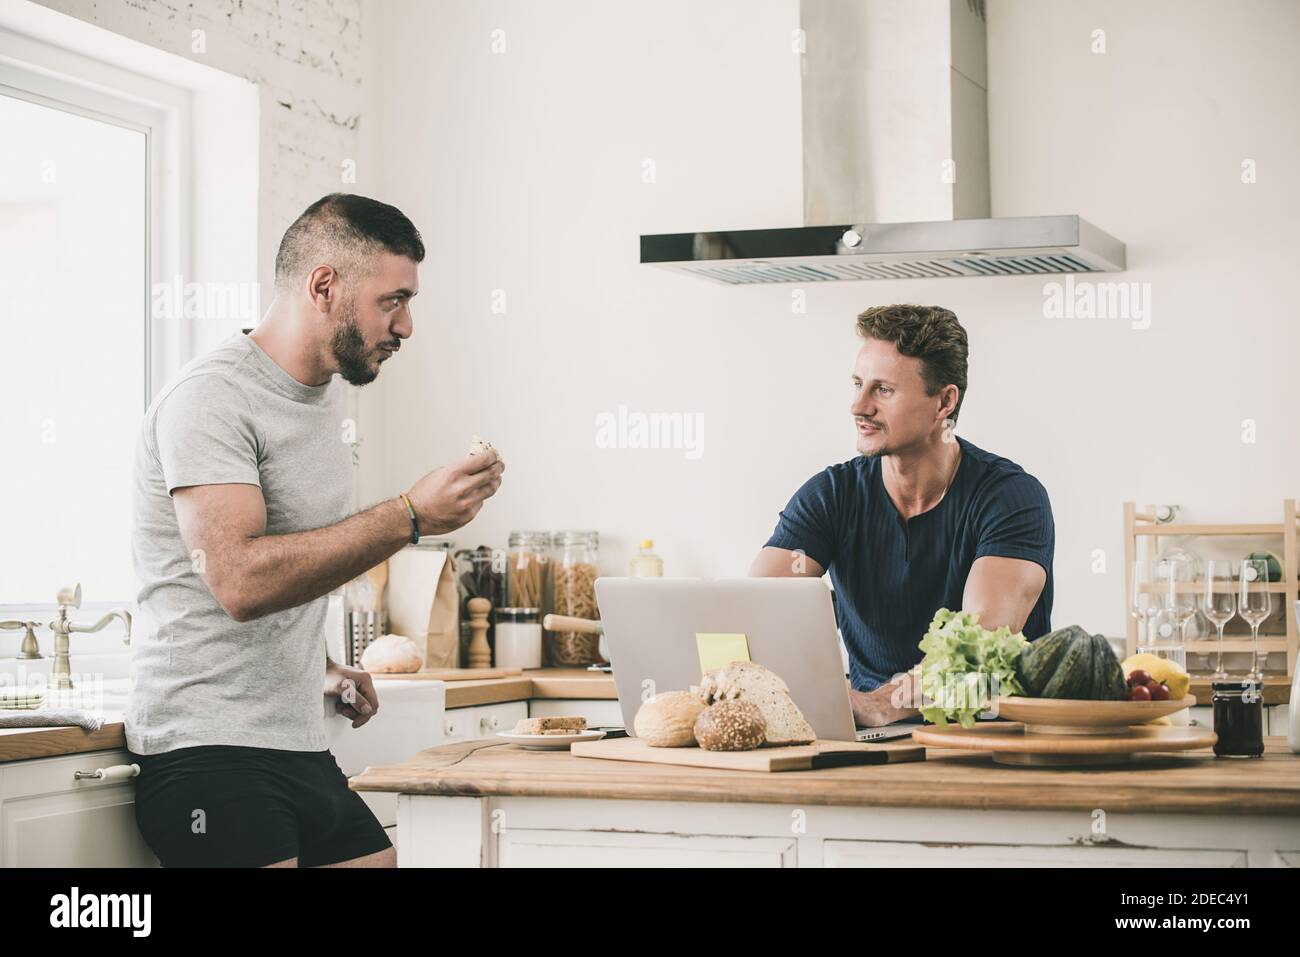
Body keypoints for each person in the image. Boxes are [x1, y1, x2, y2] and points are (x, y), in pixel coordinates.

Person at [127, 193, 505, 867]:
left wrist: (321, 664)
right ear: (324, 285)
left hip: (296, 743)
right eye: (393, 300)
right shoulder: (210, 400)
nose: (407, 325)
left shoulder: (324, 399)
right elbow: (239, 579)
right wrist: (410, 516)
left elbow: (290, 561)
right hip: (206, 752)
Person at [750, 304, 1053, 727]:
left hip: (990, 738)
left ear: (944, 401)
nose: (859, 406)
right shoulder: (831, 495)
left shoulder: (1011, 497)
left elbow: (981, 647)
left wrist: (883, 704)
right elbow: (752, 614)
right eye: (858, 384)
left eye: (883, 390)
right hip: (873, 740)